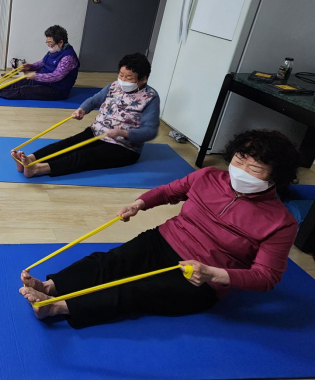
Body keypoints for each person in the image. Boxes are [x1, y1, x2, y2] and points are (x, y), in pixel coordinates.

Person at [19, 129, 301, 329]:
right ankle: (51, 286)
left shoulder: (281, 222)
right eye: (238, 160)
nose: (240, 170)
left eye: (255, 169)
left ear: (275, 177)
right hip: (165, 239)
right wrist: (139, 204)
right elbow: (169, 191)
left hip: (201, 276)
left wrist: (213, 274)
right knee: (111, 261)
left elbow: (266, 277)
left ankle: (56, 307)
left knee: (135, 290)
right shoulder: (208, 176)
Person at [13, 53, 157, 178]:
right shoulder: (114, 86)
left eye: (129, 78)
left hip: (124, 146)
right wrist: (82, 109)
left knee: (84, 156)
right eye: (121, 75)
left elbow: (149, 132)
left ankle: (37, 169)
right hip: (97, 131)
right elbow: (94, 100)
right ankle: (30, 159)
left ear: (143, 79)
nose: (123, 80)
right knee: (67, 144)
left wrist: (123, 133)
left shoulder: (150, 97)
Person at [0, 25, 79, 101]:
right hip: (44, 81)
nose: (48, 45)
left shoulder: (68, 58)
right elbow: (43, 62)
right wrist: (30, 67)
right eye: (47, 42)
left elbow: (56, 76)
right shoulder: (55, 49)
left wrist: (35, 76)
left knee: (25, 90)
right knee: (21, 82)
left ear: (61, 42)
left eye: (50, 42)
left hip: (56, 90)